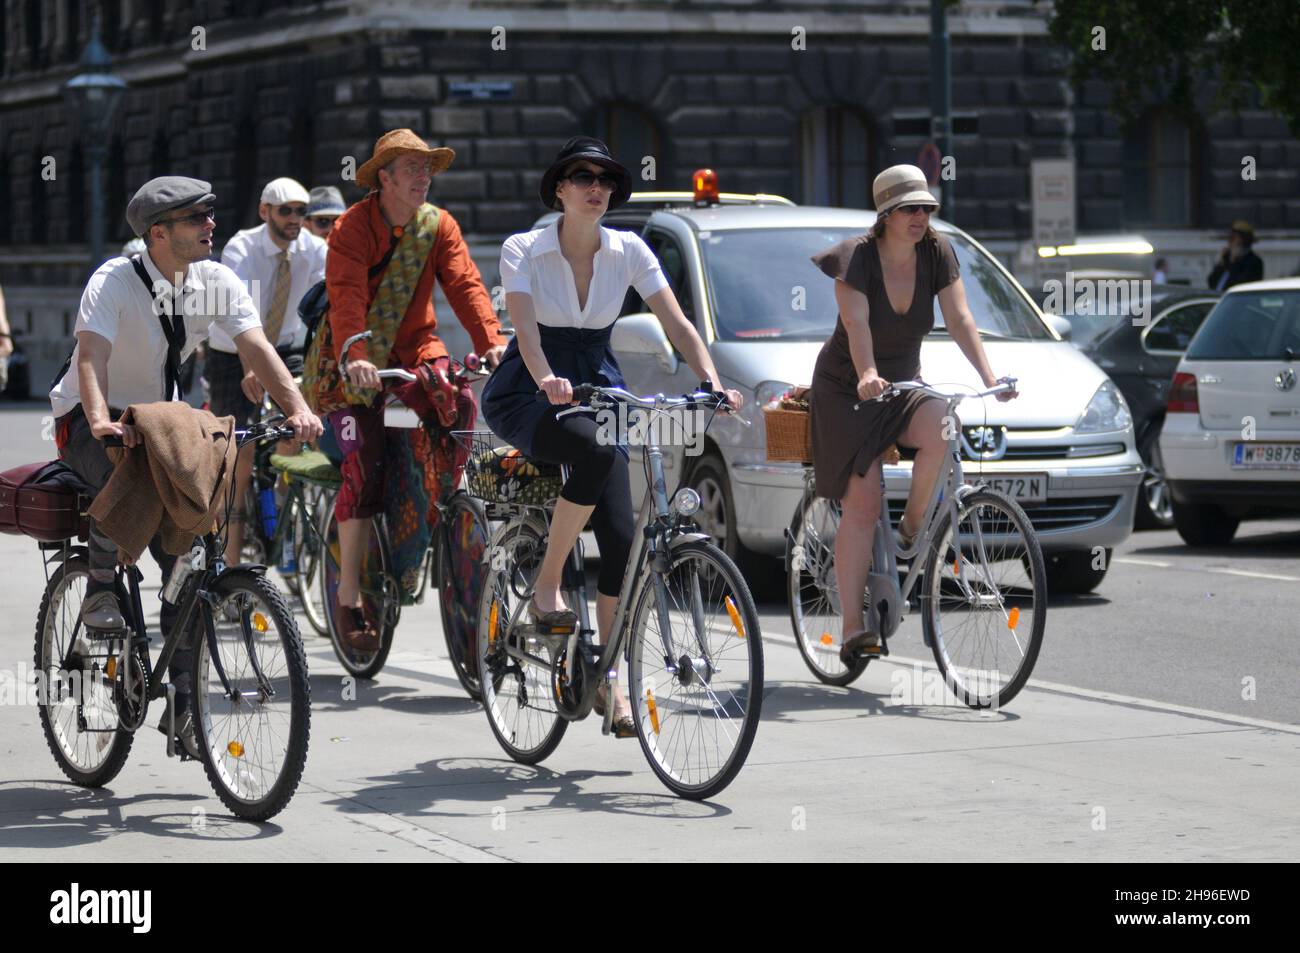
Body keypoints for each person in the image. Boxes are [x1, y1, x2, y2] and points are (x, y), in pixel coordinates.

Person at [48, 175, 323, 755]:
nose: (210, 225)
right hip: (87, 417)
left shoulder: (216, 281)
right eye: (196, 219)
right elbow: (91, 356)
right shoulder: (114, 281)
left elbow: (256, 348)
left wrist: (298, 408)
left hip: (163, 419)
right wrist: (99, 420)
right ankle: (100, 587)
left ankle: (183, 707)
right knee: (136, 473)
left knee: (189, 551)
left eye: (210, 215)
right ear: (158, 232)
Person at [480, 136, 744, 737]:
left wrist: (711, 383)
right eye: (581, 177)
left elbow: (677, 323)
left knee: (625, 543)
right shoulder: (525, 248)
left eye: (604, 179)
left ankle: (610, 683)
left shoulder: (629, 250)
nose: (595, 187)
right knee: (595, 449)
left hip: (598, 381)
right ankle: (548, 584)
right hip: (531, 386)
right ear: (560, 190)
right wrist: (547, 377)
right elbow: (524, 330)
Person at [808, 164, 1016, 661]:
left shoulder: (937, 251)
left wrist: (990, 378)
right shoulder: (855, 258)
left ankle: (911, 528)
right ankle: (855, 627)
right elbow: (857, 327)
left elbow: (961, 317)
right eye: (910, 209)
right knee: (862, 503)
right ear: (886, 214)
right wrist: (865, 375)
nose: (921, 216)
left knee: (946, 421)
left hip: (901, 382)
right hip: (848, 389)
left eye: (927, 207)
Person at [310, 128, 508, 650]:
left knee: (456, 399)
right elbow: (346, 297)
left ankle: (443, 499)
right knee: (363, 468)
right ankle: (349, 596)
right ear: (384, 178)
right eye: (412, 169)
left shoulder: (438, 226)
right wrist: (356, 356)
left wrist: (491, 342)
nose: (423, 177)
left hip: (417, 349)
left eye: (427, 169)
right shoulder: (351, 229)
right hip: (350, 361)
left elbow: (466, 284)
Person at [209, 177, 327, 564]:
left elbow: (324, 312)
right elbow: (239, 318)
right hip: (232, 352)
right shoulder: (242, 248)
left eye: (301, 212)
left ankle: (278, 496)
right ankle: (229, 565)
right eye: (285, 211)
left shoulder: (314, 250)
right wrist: (249, 369)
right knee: (238, 463)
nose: (295, 219)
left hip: (286, 348)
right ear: (265, 211)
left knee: (301, 425)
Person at [1207, 220, 1263, 290]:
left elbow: (1239, 284)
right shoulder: (1226, 258)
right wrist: (1221, 263)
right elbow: (1211, 282)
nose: (1229, 242)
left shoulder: (1254, 262)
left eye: (1233, 238)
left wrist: (1234, 262)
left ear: (1243, 241)